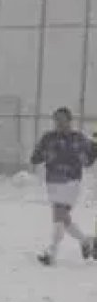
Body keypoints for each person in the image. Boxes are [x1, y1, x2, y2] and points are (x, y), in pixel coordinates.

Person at [30, 107, 97, 266]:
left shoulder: (78, 139)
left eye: (62, 119)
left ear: (69, 121)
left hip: (71, 182)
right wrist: (44, 155)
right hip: (53, 182)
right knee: (63, 220)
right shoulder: (48, 138)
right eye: (57, 120)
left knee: (59, 216)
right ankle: (86, 241)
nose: (59, 123)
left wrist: (94, 149)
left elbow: (88, 162)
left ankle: (51, 252)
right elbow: (35, 158)